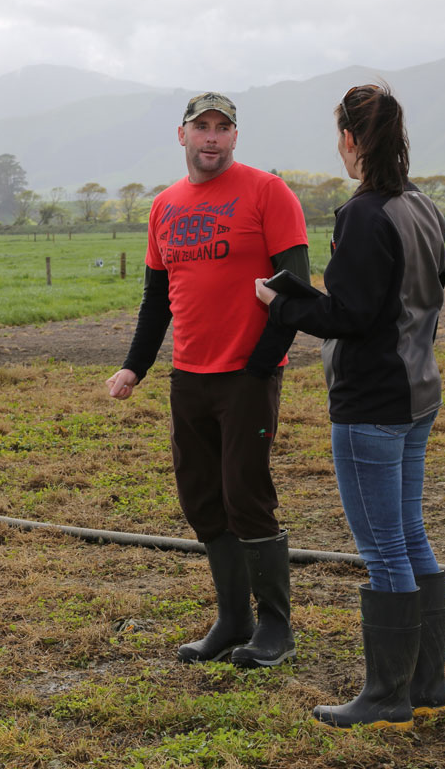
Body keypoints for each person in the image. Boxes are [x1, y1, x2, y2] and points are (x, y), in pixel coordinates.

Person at [255, 83, 445, 730]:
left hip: (373, 403)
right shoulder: (423, 207)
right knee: (411, 534)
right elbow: (404, 297)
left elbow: (350, 314)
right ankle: (426, 683)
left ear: (349, 140)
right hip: (419, 389)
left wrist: (281, 302)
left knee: (385, 548)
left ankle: (386, 695)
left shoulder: (363, 214)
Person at [107, 92, 310, 669]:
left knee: (246, 496)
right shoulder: (164, 207)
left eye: (224, 128)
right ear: (183, 135)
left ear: (236, 137)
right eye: (203, 127)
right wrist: (134, 365)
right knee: (201, 499)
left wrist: (260, 364)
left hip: (247, 375)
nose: (213, 137)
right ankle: (233, 619)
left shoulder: (268, 192)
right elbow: (156, 298)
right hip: (188, 375)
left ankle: (275, 627)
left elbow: (295, 290)